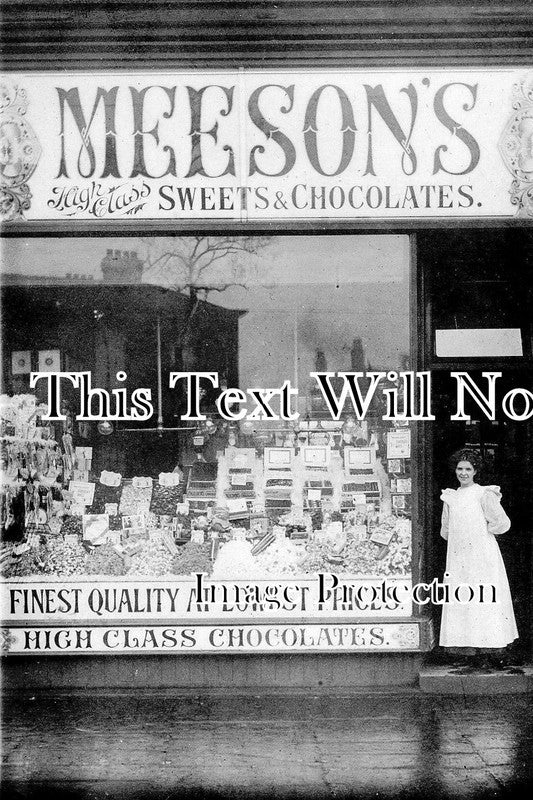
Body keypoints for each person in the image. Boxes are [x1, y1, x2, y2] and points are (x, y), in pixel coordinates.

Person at [439, 448, 518, 665]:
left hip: (483, 555)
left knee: (485, 598)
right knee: (464, 598)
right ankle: (468, 651)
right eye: (459, 468)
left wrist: (480, 533)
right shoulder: (450, 497)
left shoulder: (484, 494)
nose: (463, 473)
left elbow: (502, 523)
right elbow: (445, 530)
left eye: (468, 469)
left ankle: (490, 650)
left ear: (475, 471)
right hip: (459, 557)